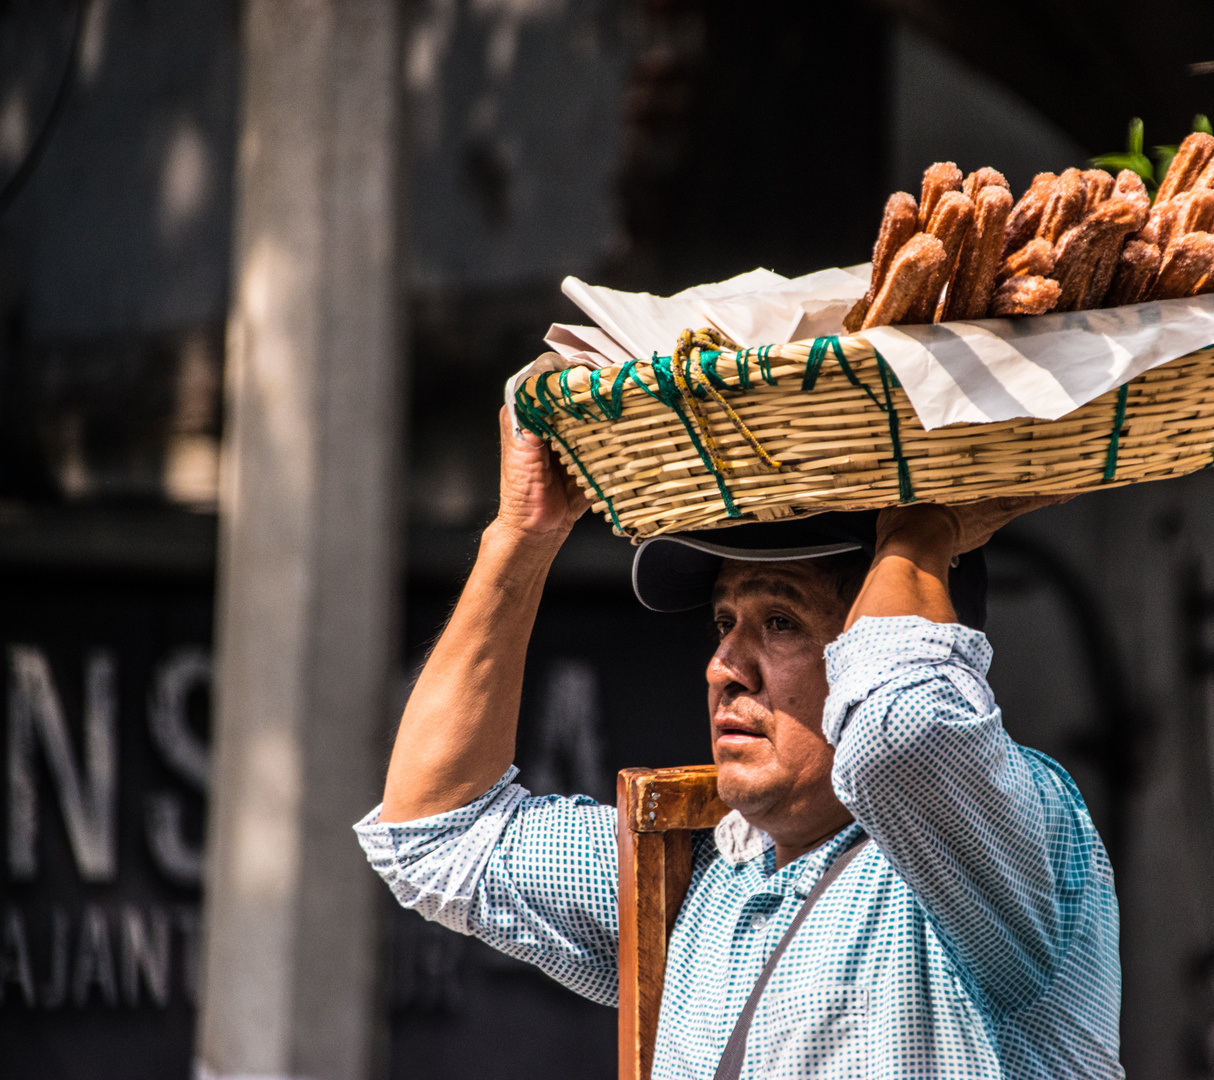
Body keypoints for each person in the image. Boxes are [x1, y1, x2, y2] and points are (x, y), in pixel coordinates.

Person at [355, 410, 1123, 1079]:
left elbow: (903, 733)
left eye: (781, 623)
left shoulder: (1008, 835)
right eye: (725, 623)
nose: (724, 667)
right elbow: (434, 831)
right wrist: (520, 537)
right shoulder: (708, 875)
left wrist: (922, 530)